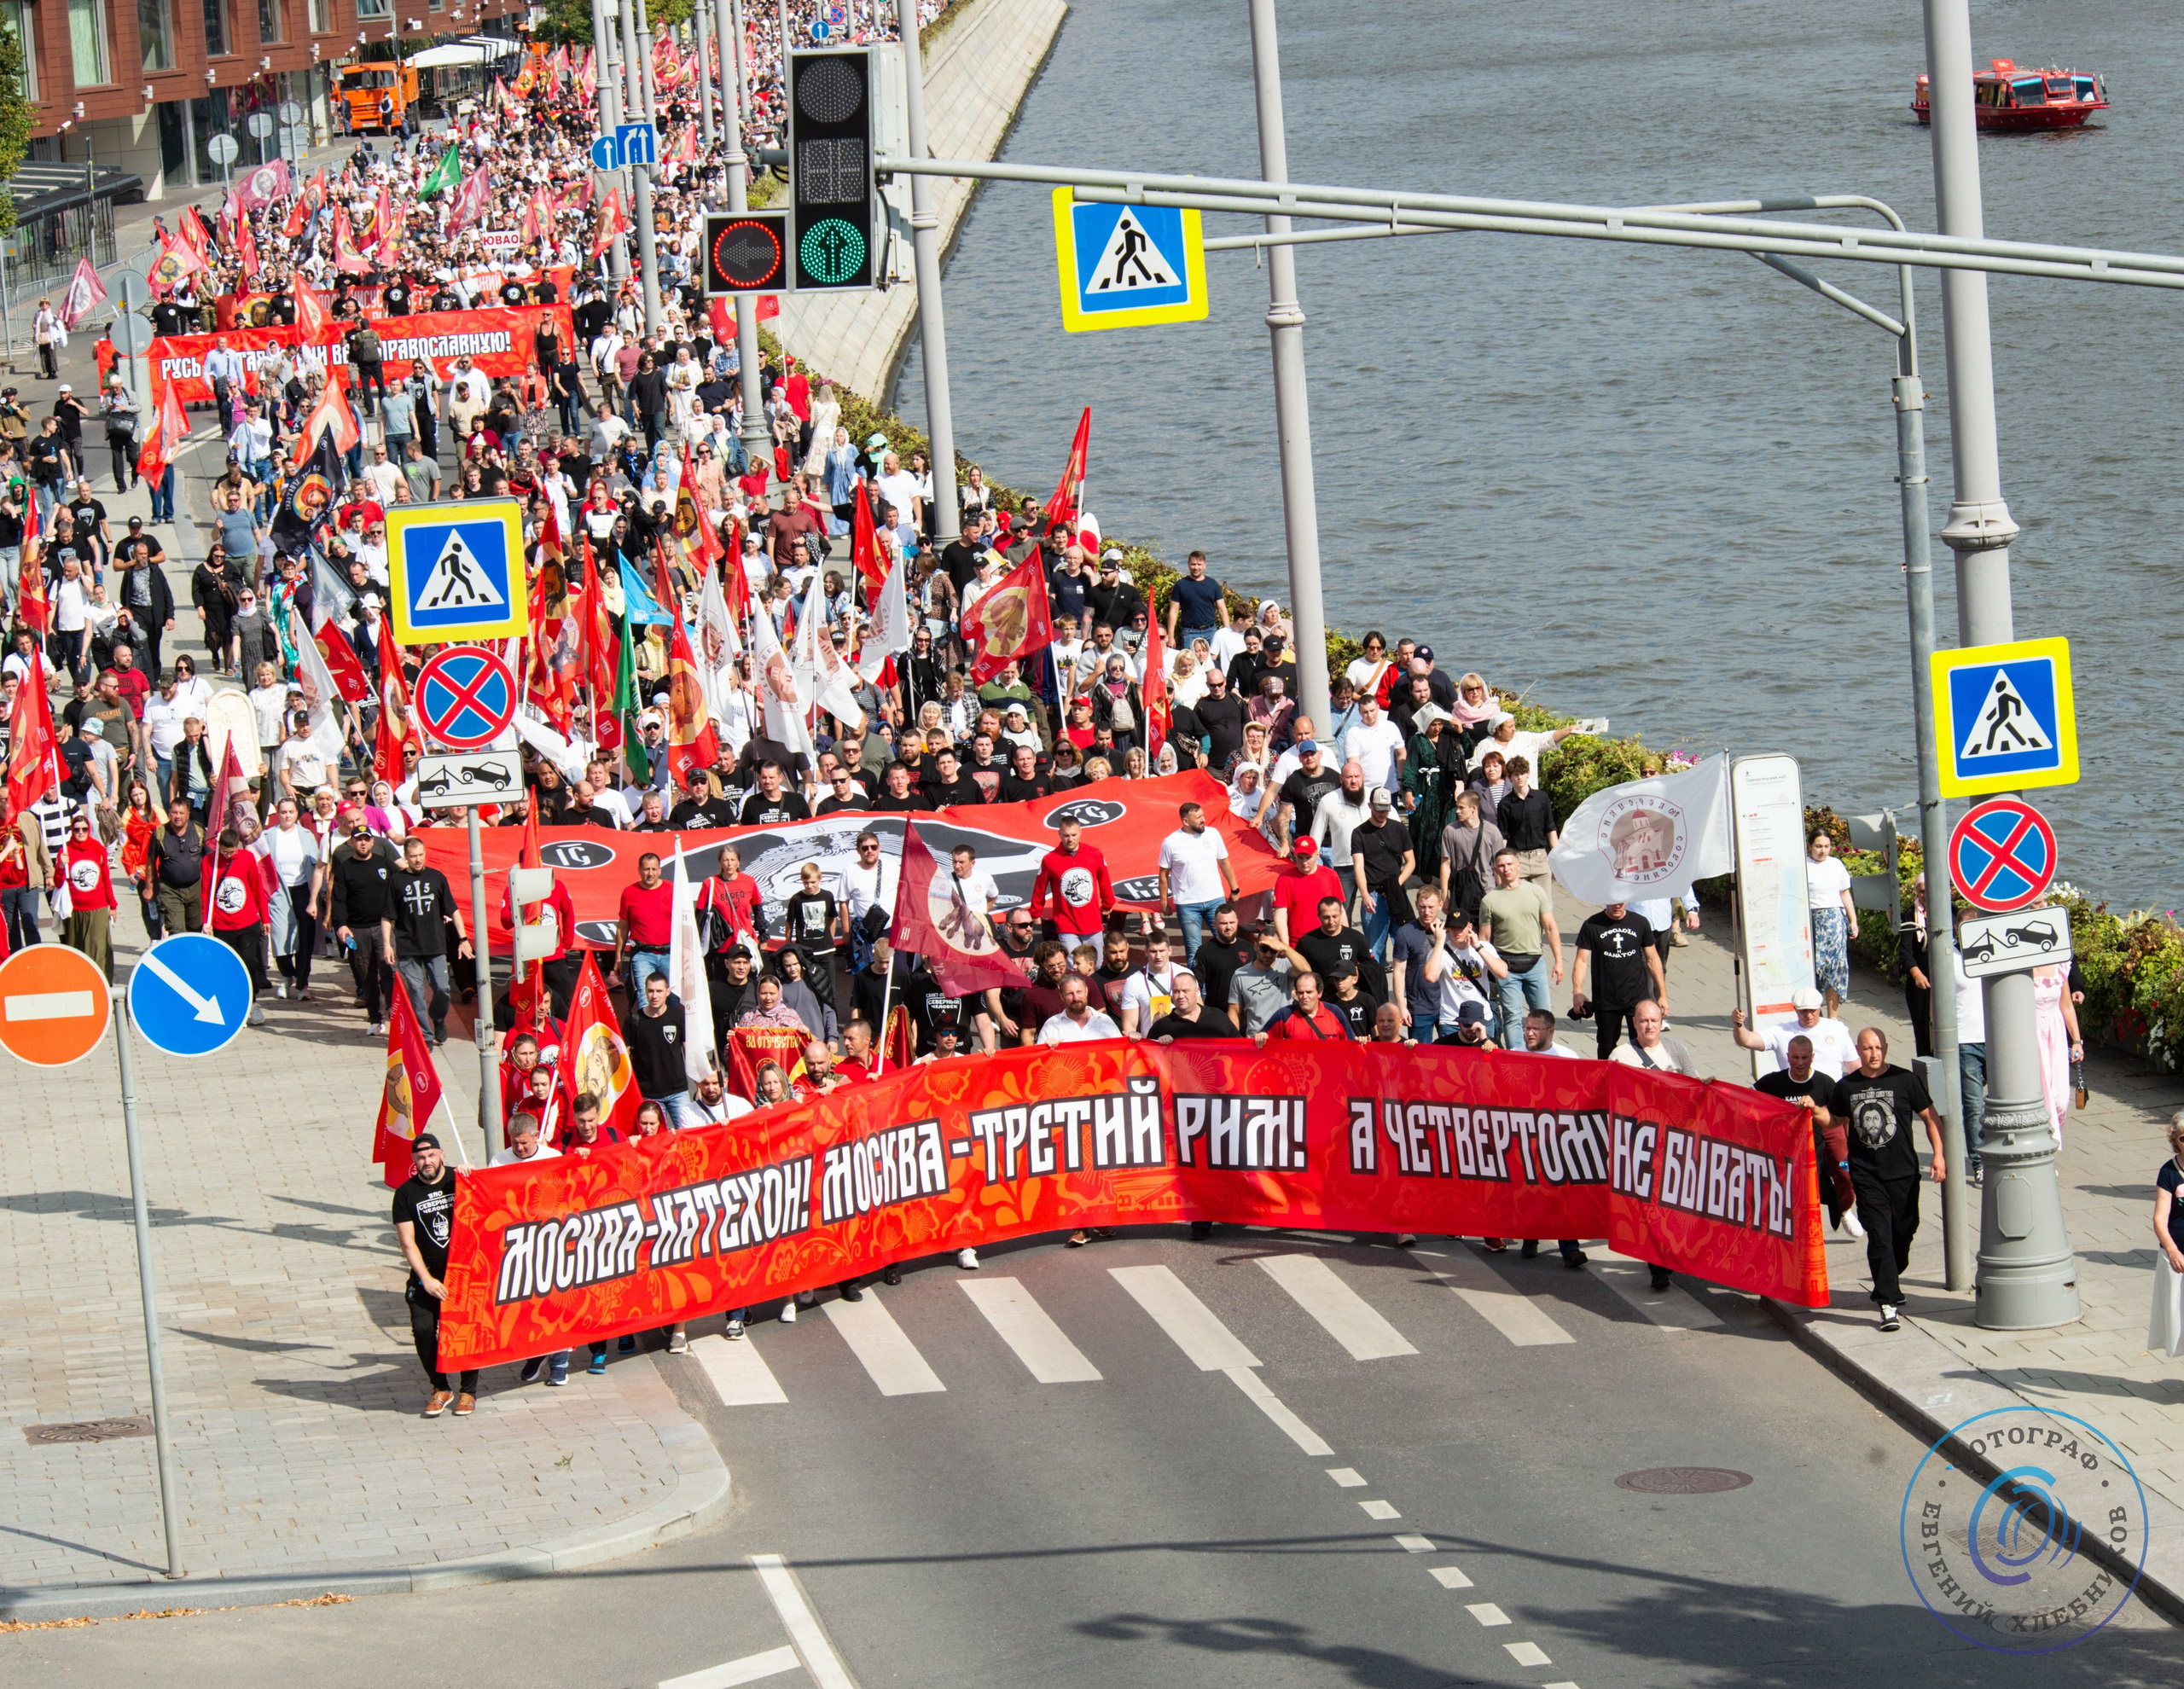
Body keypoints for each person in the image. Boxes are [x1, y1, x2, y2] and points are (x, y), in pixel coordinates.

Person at [1831, 1027, 1948, 1332]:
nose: (1874, 1053)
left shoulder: (1906, 1080)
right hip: (1867, 1175)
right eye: (1868, 1048)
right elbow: (1836, 1120)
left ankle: (1891, 1276)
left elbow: (1930, 1117)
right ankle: (1887, 1302)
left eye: (1879, 1047)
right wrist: (1813, 1109)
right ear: (1858, 1050)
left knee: (1905, 1229)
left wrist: (1939, 1155)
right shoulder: (1847, 1086)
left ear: (1886, 1047)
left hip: (1904, 1172)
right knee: (1880, 1236)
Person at [392, 1135, 477, 1417]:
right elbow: (407, 1242)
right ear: (414, 1161)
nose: (426, 1162)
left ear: (441, 1153)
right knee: (424, 1330)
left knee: (464, 1331)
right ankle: (441, 1387)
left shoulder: (459, 1179)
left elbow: (489, 1204)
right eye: (420, 1157)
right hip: (427, 1278)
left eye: (430, 1155)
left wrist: (473, 1176)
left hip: (462, 1275)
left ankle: (468, 1391)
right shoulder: (406, 1194)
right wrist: (426, 1280)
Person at [1754, 1033, 1864, 1239]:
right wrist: (1714, 1086)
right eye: (1795, 1058)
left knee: (1846, 1178)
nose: (1800, 1062)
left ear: (1812, 1057)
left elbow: (1842, 1116)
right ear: (1788, 1057)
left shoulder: (1825, 1083)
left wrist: (1851, 1143)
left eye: (1804, 1058)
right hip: (1789, 1151)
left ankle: (1844, 1209)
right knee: (1799, 1198)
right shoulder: (1773, 1082)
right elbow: (1743, 1096)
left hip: (1821, 1140)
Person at [383, 835, 469, 1047]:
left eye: (421, 855)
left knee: (442, 988)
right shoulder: (397, 881)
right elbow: (387, 916)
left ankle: (438, 1018)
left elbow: (453, 910)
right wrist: (387, 944)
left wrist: (463, 939)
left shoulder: (437, 877)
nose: (418, 860)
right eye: (413, 856)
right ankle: (425, 1035)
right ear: (406, 857)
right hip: (408, 945)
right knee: (416, 991)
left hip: (435, 943)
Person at [1478, 848, 1561, 1050]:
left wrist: (1559, 961)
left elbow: (1550, 927)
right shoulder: (1490, 900)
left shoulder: (1536, 892)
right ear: (1495, 869)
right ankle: (1516, 1057)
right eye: (1502, 866)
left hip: (1535, 962)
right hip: (1506, 966)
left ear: (1518, 866)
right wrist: (1486, 970)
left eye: (1510, 864)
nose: (1506, 869)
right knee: (1512, 1017)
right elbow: (1485, 939)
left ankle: (1544, 1054)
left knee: (1543, 1014)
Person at [1571, 901, 1665, 1059]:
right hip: (1606, 999)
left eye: (1621, 903)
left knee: (1644, 1045)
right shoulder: (1592, 924)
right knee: (1606, 1046)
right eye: (1613, 903)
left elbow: (1652, 959)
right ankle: (1607, 1081)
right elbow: (1581, 961)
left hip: (1637, 997)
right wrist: (1577, 992)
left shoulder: (1639, 922)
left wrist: (1662, 994)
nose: (1617, 906)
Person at [1157, 801, 1238, 963]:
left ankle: (1229, 984)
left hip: (1215, 899)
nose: (1203, 820)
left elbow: (1224, 862)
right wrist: (1164, 903)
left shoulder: (1213, 834)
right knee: (1194, 951)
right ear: (1186, 821)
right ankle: (1200, 988)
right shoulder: (1171, 842)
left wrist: (1234, 888)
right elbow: (1163, 874)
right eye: (1199, 817)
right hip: (1188, 904)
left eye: (1203, 815)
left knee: (1227, 942)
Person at [1730, 988, 1857, 1077]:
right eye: (1803, 1011)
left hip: (1829, 1100)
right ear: (1795, 1009)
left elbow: (1855, 1067)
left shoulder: (1837, 1029)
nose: (1808, 1015)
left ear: (1820, 1007)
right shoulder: (1781, 1032)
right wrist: (1739, 1025)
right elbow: (1746, 1040)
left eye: (1812, 1010)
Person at [1032, 815, 1114, 942]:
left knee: (1096, 961)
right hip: (1066, 924)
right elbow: (1039, 888)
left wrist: (1108, 904)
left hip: (1092, 922)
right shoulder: (1049, 859)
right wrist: (1035, 912)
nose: (1070, 839)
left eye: (1074, 835)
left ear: (1080, 832)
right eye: (1066, 835)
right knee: (1073, 962)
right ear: (1059, 834)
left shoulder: (1095, 854)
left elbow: (1105, 881)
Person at [627, 972, 694, 1128]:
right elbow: (626, 1056)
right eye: (650, 991)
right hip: (649, 1095)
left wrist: (699, 1083)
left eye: (659, 991)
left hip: (678, 1091)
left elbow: (689, 1052)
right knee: (654, 1142)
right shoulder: (633, 1019)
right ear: (645, 991)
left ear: (668, 992)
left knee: (688, 1137)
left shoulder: (678, 1016)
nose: (654, 996)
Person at [57, 812, 119, 980]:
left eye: (84, 829)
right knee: (76, 950)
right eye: (77, 829)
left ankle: (103, 983)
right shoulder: (65, 851)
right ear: (72, 831)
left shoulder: (98, 849)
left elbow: (106, 878)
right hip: (74, 910)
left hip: (97, 908)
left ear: (89, 829)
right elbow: (57, 883)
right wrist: (61, 866)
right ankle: (81, 983)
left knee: (99, 948)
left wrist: (112, 905)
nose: (81, 832)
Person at [1804, 829, 1857, 1015]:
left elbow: (1844, 893)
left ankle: (1833, 1018)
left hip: (1835, 921)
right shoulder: (1803, 866)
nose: (1823, 851)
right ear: (1809, 846)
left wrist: (1853, 920)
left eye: (1827, 846)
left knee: (1836, 969)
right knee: (1814, 970)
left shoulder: (1836, 865)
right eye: (1818, 846)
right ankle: (1813, 1014)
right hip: (1812, 922)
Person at [2152, 1112, 2184, 1361]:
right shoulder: (2169, 1172)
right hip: (2178, 1257)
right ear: (2176, 1141)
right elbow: (2160, 1219)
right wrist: (2172, 1251)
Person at [1255, 971, 1352, 1043]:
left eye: (1309, 992)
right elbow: (1264, 1042)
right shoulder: (1284, 1015)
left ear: (1320, 993)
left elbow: (1351, 1045)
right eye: (1300, 993)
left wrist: (1362, 1041)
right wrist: (1262, 1036)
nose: (1304, 997)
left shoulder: (1335, 1013)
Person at [1038, 971, 1121, 1043]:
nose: (1076, 998)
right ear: (1062, 997)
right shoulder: (1052, 1025)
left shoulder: (1104, 1021)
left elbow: (1120, 1052)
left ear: (1086, 991)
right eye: (1070, 994)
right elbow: (1039, 1058)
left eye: (1079, 992)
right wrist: (1047, 1048)